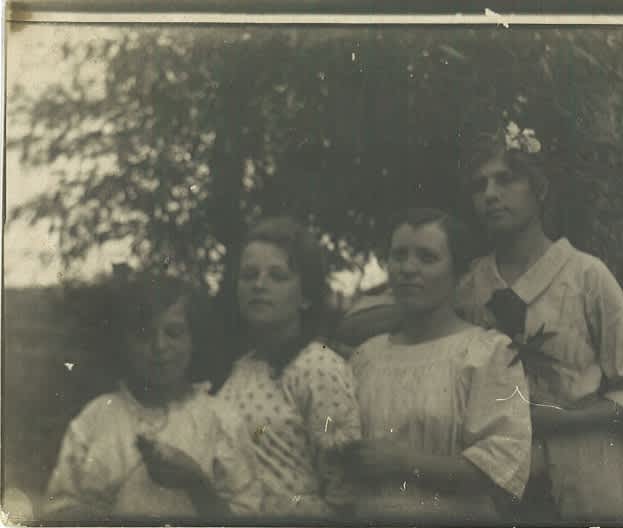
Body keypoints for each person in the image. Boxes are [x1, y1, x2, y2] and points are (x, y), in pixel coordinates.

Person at [456, 118, 623, 521]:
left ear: (539, 191)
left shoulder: (586, 276)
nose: (491, 195)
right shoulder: (469, 288)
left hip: (588, 472)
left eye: (506, 180)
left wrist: (565, 419)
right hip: (497, 483)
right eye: (480, 186)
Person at [349, 208, 531, 523]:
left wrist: (403, 462)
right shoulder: (366, 357)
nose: (408, 268)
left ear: (460, 274)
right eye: (399, 255)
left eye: (427, 258)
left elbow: (503, 466)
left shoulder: (487, 354)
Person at [43, 272, 260, 522]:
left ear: (193, 340)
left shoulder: (221, 420)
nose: (159, 347)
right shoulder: (95, 418)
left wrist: (197, 484)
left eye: (174, 333)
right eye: (144, 334)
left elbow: (249, 517)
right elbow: (58, 510)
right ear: (123, 343)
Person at [214, 216, 361, 520]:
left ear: (306, 296)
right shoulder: (241, 368)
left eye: (277, 276)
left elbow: (343, 499)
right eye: (249, 274)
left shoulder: (318, 366)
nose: (259, 285)